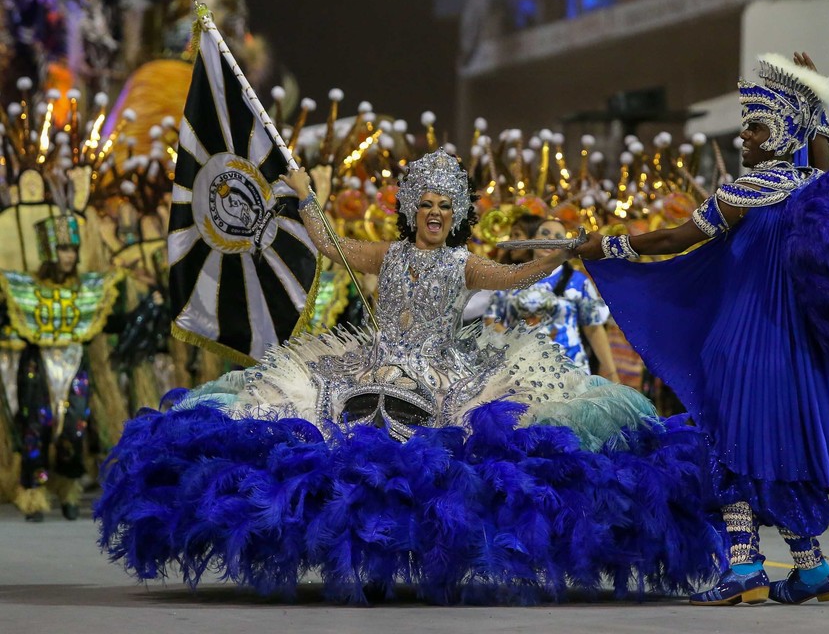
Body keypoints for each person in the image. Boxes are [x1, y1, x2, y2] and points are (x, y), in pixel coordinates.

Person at [95, 149, 722, 604]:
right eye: (425, 204)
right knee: (331, 447)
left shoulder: (463, 262)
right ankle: (362, 552)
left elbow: (510, 278)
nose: (434, 214)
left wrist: (561, 254)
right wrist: (304, 195)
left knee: (445, 468)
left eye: (445, 206)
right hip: (368, 366)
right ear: (411, 210)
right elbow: (328, 245)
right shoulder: (387, 253)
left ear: (457, 214)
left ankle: (430, 556)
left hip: (446, 376)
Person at [577, 52, 829, 605]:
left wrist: (609, 246)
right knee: (779, 453)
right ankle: (810, 569)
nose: (744, 136)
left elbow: (674, 240)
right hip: (799, 354)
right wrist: (813, 106)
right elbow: (828, 165)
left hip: (747, 345)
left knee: (734, 448)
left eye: (757, 127)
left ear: (783, 133)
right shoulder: (819, 191)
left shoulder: (746, 193)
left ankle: (746, 568)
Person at [0, 214, 126, 521]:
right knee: (36, 427)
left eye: (73, 249)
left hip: (74, 365)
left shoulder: (86, 290)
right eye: (63, 249)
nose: (69, 255)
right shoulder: (27, 288)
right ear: (50, 252)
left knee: (74, 428)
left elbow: (108, 322)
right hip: (38, 365)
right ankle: (34, 493)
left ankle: (68, 490)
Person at [486, 217, 620, 381]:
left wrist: (612, 374)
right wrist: (516, 344)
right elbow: (491, 319)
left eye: (558, 236)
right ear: (532, 239)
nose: (550, 239)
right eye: (545, 233)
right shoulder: (512, 277)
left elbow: (593, 329)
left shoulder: (578, 282)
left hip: (570, 374)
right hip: (519, 372)